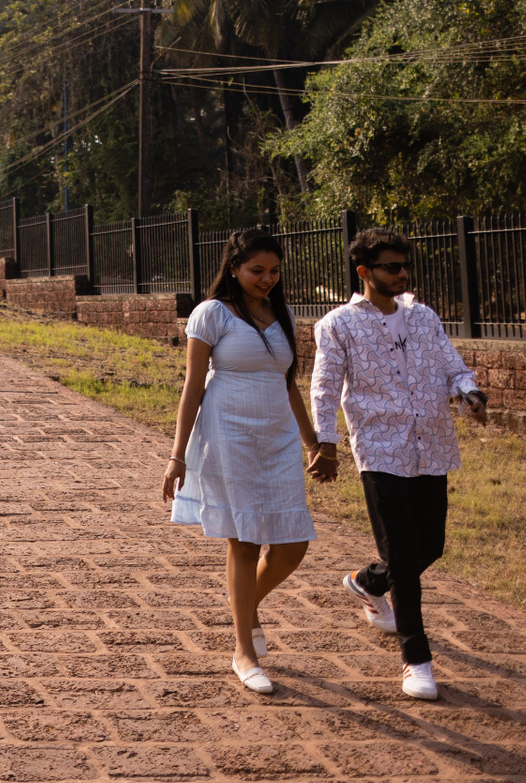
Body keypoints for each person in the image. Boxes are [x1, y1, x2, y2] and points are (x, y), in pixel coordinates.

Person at [311, 227, 486, 702]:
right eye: (392, 266)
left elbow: (452, 367)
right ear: (364, 272)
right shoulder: (338, 325)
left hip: (432, 444)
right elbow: (324, 388)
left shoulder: (423, 316)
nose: (402, 273)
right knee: (405, 559)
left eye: (405, 265)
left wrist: (469, 392)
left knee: (431, 545)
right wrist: (325, 443)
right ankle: (416, 660)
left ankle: (366, 582)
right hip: (379, 449)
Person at [162, 230, 327, 695]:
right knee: (246, 539)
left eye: (274, 271)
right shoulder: (211, 313)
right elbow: (193, 386)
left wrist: (312, 442)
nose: (267, 279)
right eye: (257, 270)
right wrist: (177, 455)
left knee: (293, 544)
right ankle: (243, 652)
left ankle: (246, 605)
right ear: (233, 268)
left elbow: (289, 384)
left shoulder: (282, 314)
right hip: (227, 432)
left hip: (277, 437)